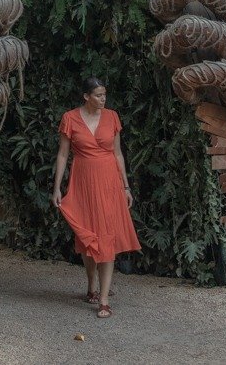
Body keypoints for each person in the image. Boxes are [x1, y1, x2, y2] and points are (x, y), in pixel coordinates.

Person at [52, 77, 140, 318]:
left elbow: (118, 154)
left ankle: (103, 300)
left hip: (109, 183)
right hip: (82, 183)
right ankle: (91, 286)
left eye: (105, 95)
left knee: (106, 237)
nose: (104, 99)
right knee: (86, 237)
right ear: (86, 96)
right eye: (99, 95)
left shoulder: (112, 117)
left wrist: (126, 187)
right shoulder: (70, 118)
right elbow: (62, 155)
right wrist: (57, 187)